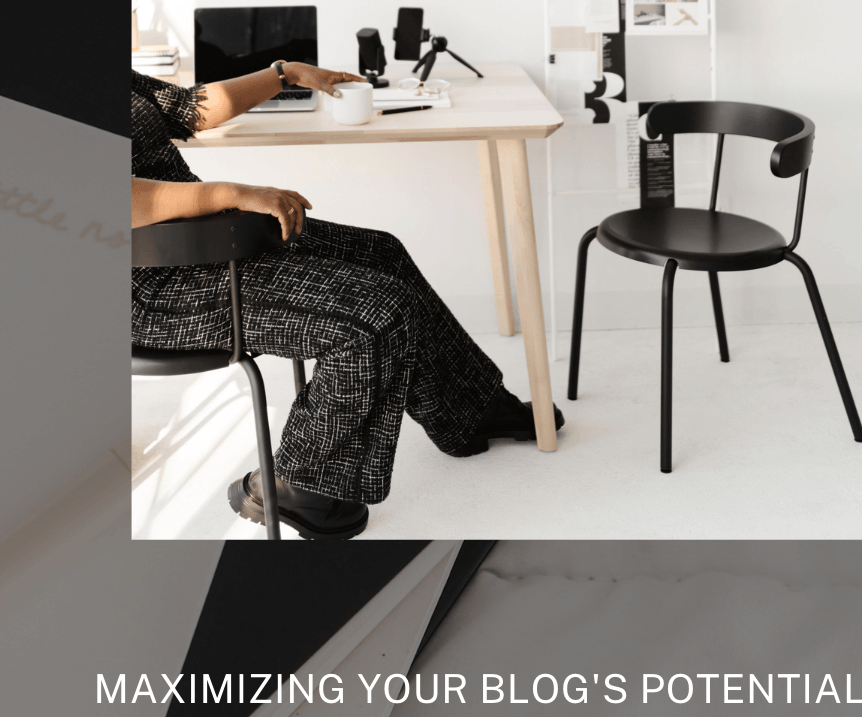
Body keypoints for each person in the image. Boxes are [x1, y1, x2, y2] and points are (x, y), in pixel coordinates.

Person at [131, 59, 563, 538]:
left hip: (205, 239)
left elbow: (190, 108)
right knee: (375, 312)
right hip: (146, 284)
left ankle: (468, 409)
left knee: (381, 254)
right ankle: (297, 483)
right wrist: (233, 193)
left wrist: (285, 75)